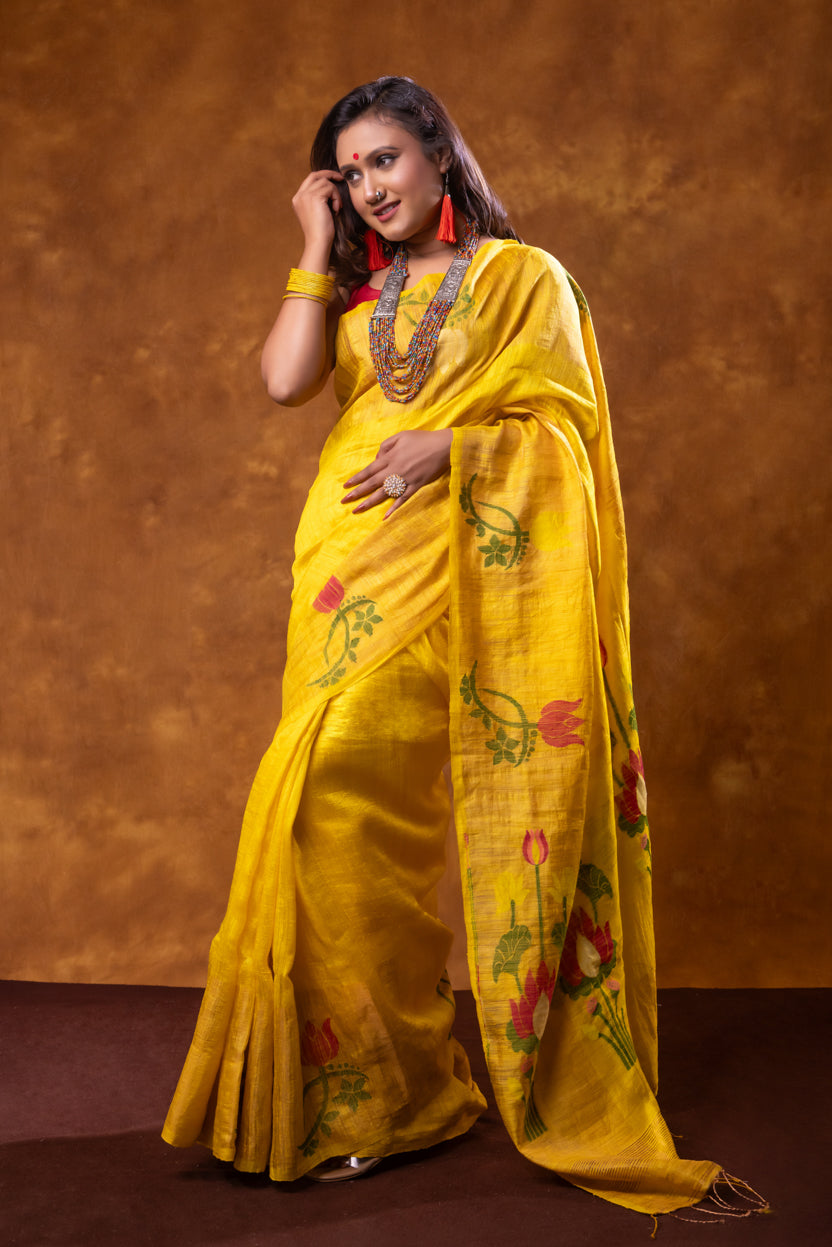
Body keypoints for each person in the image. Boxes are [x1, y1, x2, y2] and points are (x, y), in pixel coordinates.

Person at [162, 76, 751, 1218]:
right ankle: (386, 1092)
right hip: (343, 576)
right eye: (350, 171)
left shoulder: (525, 280)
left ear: (438, 156)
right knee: (327, 815)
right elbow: (286, 383)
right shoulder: (353, 290)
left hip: (471, 570)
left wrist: (458, 447)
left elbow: (566, 432)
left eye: (385, 160)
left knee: (375, 806)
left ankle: (435, 1081)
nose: (371, 186)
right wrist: (310, 239)